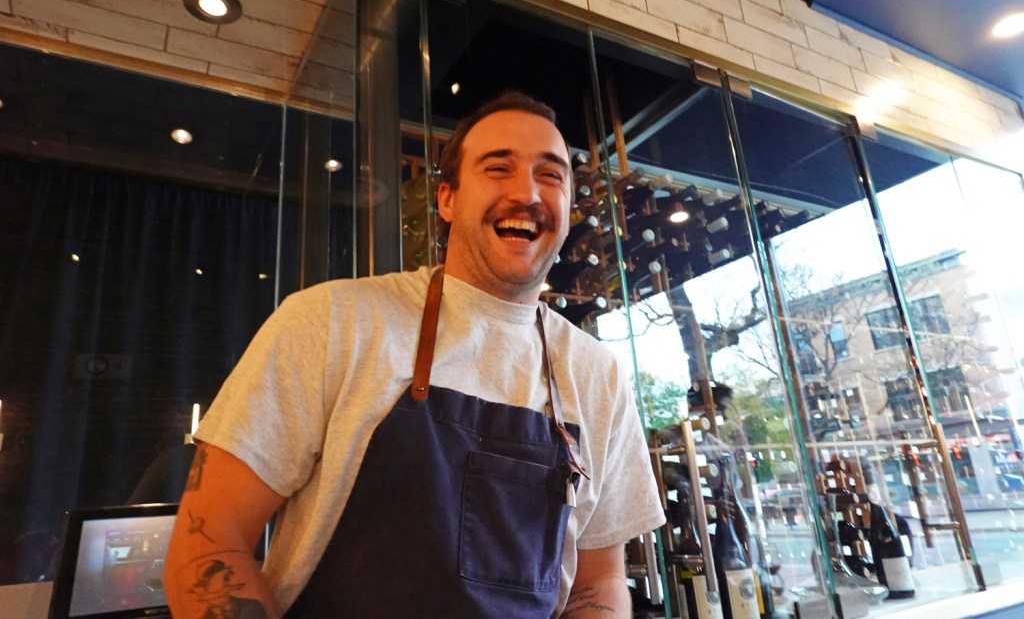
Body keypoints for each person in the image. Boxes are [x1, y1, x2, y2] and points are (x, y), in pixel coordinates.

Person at [164, 91, 665, 617]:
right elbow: (210, 542)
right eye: (498, 168)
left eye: (551, 175)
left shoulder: (598, 375)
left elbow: (598, 581)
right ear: (447, 199)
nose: (528, 193)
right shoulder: (332, 322)